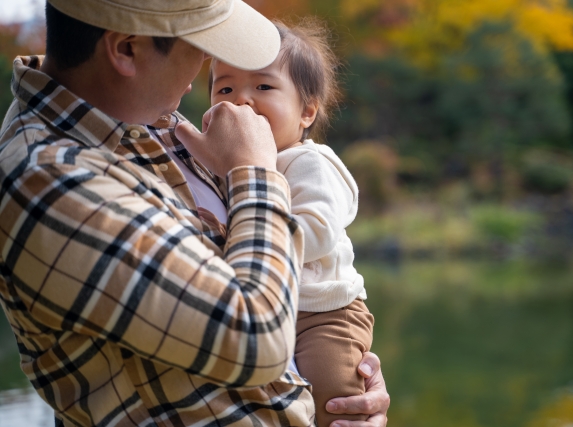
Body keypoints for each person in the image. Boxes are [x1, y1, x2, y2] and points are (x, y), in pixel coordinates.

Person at [0, 1, 389, 426]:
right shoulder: (55, 185)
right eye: (200, 45)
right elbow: (257, 340)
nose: (204, 69)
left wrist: (342, 381)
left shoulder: (141, 116)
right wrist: (254, 173)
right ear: (127, 50)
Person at [194, 19, 373, 427]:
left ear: (307, 111)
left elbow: (320, 231)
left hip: (323, 313)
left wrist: (249, 227)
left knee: (332, 402)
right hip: (266, 315)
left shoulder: (308, 163)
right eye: (224, 89)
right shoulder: (223, 167)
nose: (242, 100)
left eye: (263, 87)